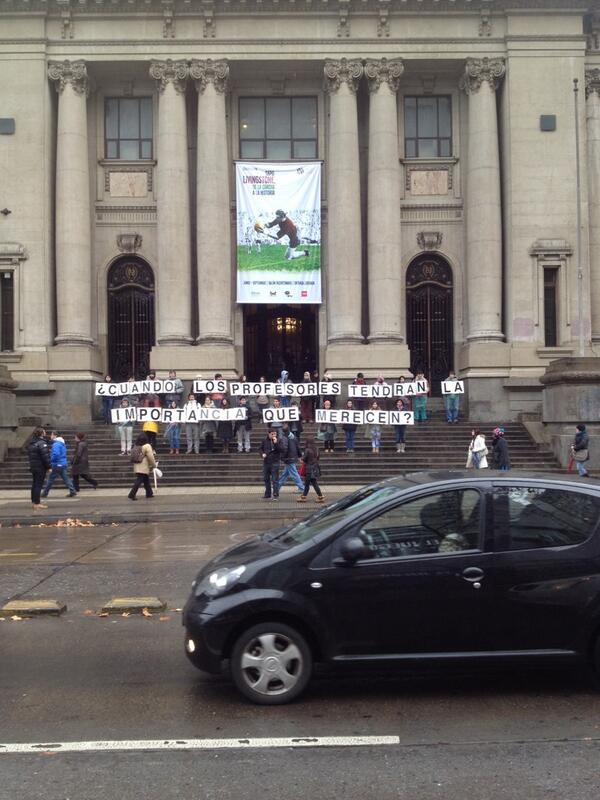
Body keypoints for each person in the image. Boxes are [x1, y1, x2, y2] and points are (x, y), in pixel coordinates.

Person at [41, 431, 77, 498]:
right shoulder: (61, 443)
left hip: (57, 464)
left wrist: (51, 461)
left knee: (50, 479)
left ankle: (45, 493)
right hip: (62, 463)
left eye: (51, 435)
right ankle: (72, 491)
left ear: (55, 436)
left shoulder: (56, 444)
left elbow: (56, 454)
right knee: (66, 478)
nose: (50, 436)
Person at [127, 433, 156, 500]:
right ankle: (132, 494)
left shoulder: (136, 445)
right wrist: (154, 465)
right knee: (139, 480)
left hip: (137, 464)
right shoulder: (147, 446)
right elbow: (150, 457)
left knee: (146, 479)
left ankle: (149, 493)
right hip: (144, 465)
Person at [277, 424, 305, 493]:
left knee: (294, 474)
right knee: (285, 474)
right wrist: (299, 456)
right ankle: (277, 487)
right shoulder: (294, 437)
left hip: (288, 458)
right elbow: (298, 447)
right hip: (293, 457)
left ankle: (302, 488)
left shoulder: (284, 438)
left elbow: (284, 449)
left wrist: (281, 457)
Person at [27, 426, 50, 510]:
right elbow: (45, 456)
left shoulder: (32, 443)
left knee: (35, 484)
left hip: (34, 466)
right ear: (42, 433)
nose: (45, 432)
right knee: (38, 485)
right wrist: (49, 466)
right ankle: (37, 503)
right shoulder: (42, 443)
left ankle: (34, 501)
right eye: (44, 431)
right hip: (40, 467)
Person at [298, 438, 324, 503]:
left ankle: (320, 496)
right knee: (308, 483)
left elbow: (304, 459)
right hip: (315, 467)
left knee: (312, 483)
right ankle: (304, 496)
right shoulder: (317, 449)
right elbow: (318, 458)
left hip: (309, 469)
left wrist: (300, 459)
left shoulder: (307, 450)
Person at [261, 429, 282, 500]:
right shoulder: (264, 441)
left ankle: (275, 494)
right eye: (272, 434)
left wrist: (276, 443)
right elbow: (260, 449)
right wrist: (262, 454)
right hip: (266, 462)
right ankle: (268, 493)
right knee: (266, 479)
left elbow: (281, 450)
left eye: (275, 434)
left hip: (275, 462)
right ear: (268, 434)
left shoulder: (278, 440)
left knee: (275, 479)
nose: (273, 435)